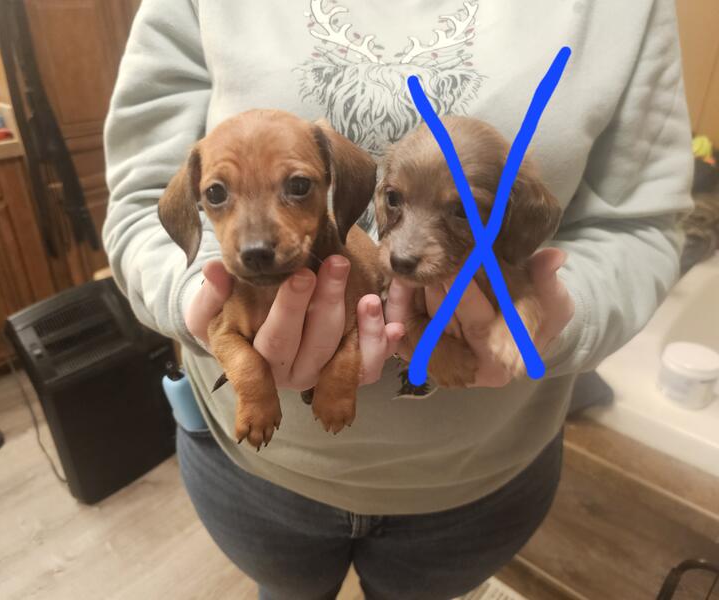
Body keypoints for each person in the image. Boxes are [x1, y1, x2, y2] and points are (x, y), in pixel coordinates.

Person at [103, 1, 693, 598]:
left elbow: (640, 225)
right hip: (257, 473)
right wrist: (195, 298)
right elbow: (141, 203)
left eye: (299, 187)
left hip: (480, 481)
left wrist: (550, 319)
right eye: (218, 194)